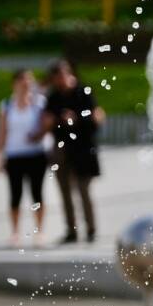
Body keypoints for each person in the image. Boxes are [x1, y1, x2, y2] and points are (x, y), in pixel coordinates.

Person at [41, 59, 104, 244]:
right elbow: (49, 120)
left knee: (84, 190)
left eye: (64, 74)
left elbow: (95, 119)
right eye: (57, 77)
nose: (62, 79)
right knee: (65, 192)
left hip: (83, 150)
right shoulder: (53, 97)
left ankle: (91, 229)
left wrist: (75, 119)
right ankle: (71, 230)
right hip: (62, 150)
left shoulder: (83, 93)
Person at [0, 69, 48, 246]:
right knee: (15, 194)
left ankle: (39, 231)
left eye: (28, 80)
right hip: (14, 154)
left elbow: (46, 126)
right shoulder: (7, 105)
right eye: (22, 80)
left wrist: (39, 136)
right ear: (15, 83)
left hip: (36, 154)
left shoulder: (39, 103)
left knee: (37, 193)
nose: (26, 84)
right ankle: (15, 232)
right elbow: (2, 132)